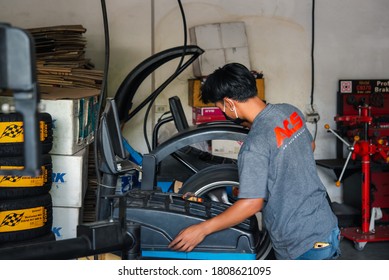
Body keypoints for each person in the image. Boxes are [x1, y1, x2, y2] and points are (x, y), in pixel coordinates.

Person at [168, 62, 341, 260]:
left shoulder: (254, 145)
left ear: (230, 103)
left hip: (302, 243)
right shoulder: (288, 111)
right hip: (326, 226)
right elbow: (308, 148)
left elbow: (252, 204)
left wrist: (202, 229)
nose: (223, 113)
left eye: (220, 107)